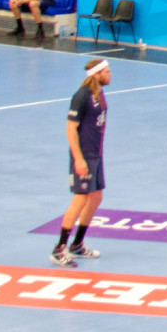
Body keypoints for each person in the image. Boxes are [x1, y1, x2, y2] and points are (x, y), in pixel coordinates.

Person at [50, 59, 109, 267]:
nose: (109, 75)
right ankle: (59, 249)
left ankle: (77, 244)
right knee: (80, 200)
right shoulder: (81, 97)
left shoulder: (98, 94)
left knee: (96, 198)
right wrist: (79, 159)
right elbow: (70, 128)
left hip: (96, 155)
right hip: (83, 157)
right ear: (96, 75)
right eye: (106, 72)